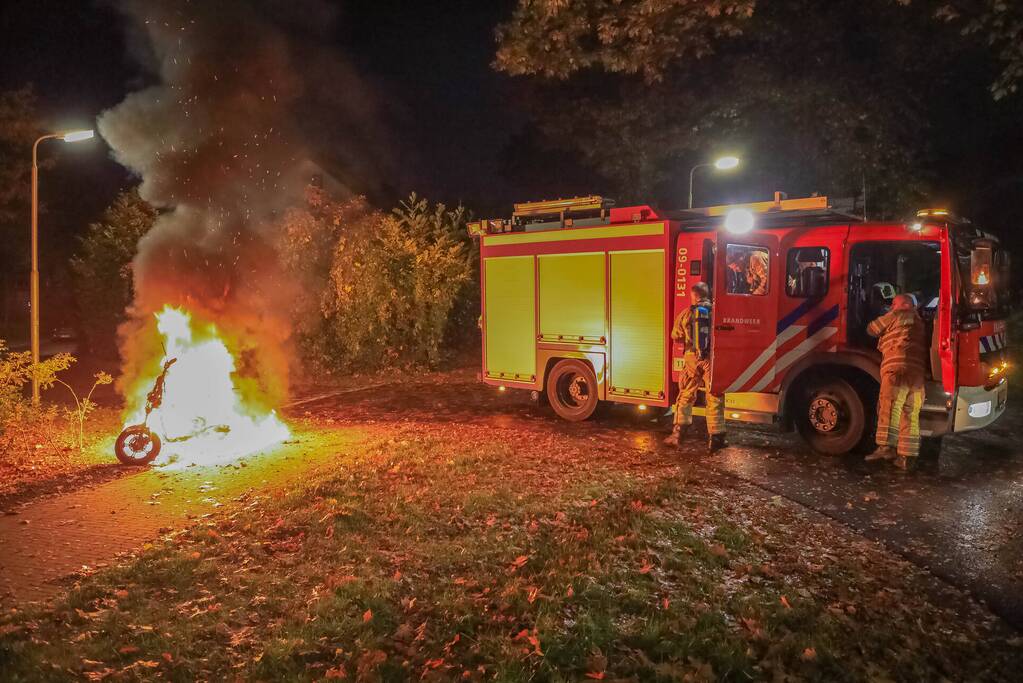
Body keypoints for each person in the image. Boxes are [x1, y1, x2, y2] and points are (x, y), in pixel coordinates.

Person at [864, 293, 927, 469]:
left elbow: (872, 329)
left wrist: (881, 314)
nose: (891, 306)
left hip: (897, 369)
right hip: (916, 374)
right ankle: (907, 458)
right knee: (910, 413)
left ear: (905, 305)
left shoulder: (898, 315)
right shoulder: (920, 323)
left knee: (890, 406)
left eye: (894, 303)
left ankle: (885, 447)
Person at [664, 281, 726, 452]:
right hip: (710, 359)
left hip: (691, 358)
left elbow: (675, 336)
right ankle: (716, 439)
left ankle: (677, 435)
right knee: (714, 395)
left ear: (694, 295)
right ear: (708, 294)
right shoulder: (716, 311)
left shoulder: (686, 313)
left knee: (686, 394)